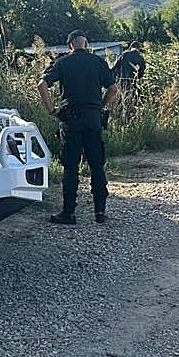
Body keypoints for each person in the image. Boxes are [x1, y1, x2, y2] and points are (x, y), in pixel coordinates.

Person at [38, 30, 119, 225]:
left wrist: (52, 110)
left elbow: (42, 85)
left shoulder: (62, 62)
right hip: (93, 119)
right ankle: (100, 212)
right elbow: (113, 89)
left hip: (71, 119)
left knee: (71, 167)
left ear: (69, 45)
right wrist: (101, 106)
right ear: (86, 43)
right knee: (97, 165)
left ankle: (68, 213)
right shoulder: (98, 62)